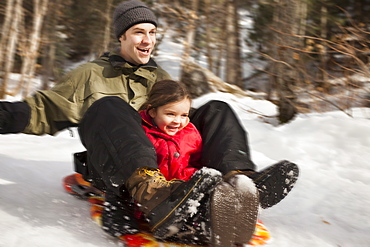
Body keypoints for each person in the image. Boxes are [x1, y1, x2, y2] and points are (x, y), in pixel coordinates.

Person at [0, 0, 299, 246]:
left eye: (152, 32)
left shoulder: (159, 78)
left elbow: (182, 125)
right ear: (122, 37)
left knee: (217, 108)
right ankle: (153, 193)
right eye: (138, 32)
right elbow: (39, 111)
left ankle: (238, 183)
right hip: (116, 173)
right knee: (110, 106)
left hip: (171, 167)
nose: (147, 40)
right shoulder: (89, 75)